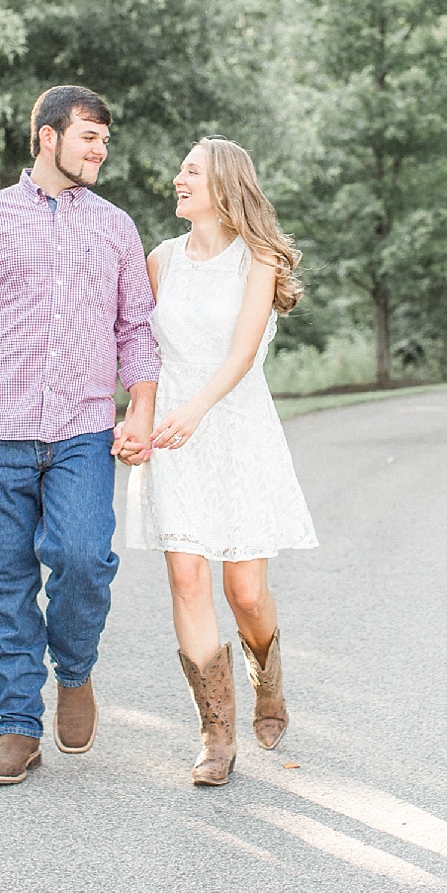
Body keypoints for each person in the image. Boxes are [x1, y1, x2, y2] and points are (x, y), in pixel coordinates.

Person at [0, 85, 160, 787]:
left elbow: (135, 329)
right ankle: (17, 723)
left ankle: (75, 670)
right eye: (88, 136)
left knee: (84, 558)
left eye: (105, 139)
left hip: (83, 426)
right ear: (48, 137)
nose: (100, 149)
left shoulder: (115, 227)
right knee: (1, 582)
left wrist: (140, 408)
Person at [126, 137, 317, 786]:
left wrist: (197, 408)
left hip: (233, 425)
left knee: (244, 589)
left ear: (223, 185)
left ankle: (268, 674)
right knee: (186, 576)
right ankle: (215, 731)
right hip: (174, 432)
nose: (177, 178)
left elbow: (239, 356)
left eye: (190, 170)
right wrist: (140, 416)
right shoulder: (161, 260)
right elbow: (140, 350)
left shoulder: (256, 259)